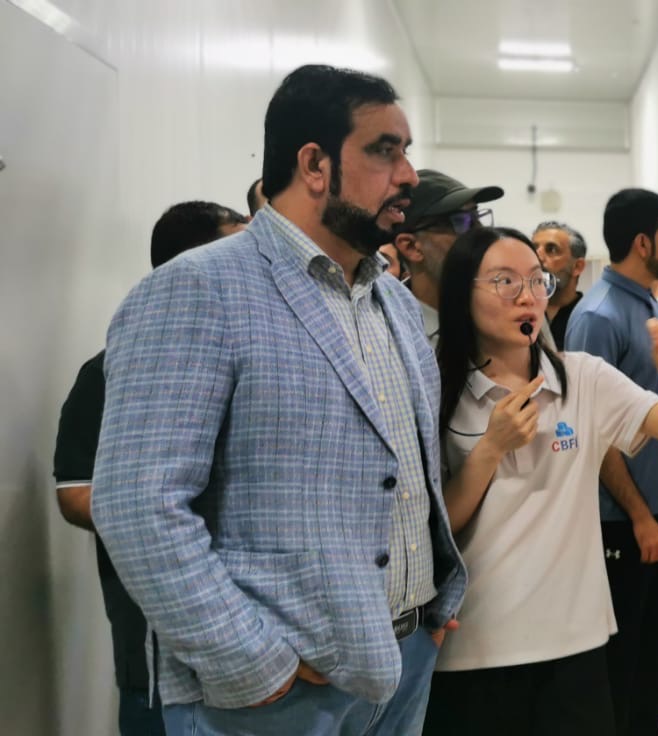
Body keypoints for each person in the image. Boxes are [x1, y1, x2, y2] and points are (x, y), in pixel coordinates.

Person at [92, 64, 466, 736]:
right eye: (385, 150)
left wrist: (428, 607)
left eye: (406, 152)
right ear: (314, 164)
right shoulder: (199, 288)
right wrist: (253, 664)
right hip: (274, 693)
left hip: (402, 661)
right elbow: (137, 505)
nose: (408, 175)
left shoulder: (393, 302)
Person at [422, 226, 658, 734]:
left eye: (537, 280)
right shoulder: (435, 386)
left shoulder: (582, 377)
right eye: (505, 281)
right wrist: (490, 448)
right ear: (463, 293)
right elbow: (437, 526)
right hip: (475, 645)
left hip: (575, 641)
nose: (527, 296)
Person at [52, 201, 247, 736]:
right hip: (158, 644)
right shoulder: (109, 370)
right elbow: (75, 494)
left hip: (255, 638)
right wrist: (165, 512)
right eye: (240, 247)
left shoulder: (249, 360)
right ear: (192, 264)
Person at [565, 188, 658, 736]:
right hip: (628, 524)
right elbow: (591, 433)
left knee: (656, 669)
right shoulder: (597, 316)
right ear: (644, 243)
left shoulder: (653, 306)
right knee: (623, 673)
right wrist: (641, 516)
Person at [392, 170, 502, 346]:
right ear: (411, 247)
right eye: (460, 222)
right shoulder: (391, 335)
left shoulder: (509, 312)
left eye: (476, 217)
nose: (479, 232)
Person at [532, 220, 589, 350]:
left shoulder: (588, 317)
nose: (538, 257)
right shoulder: (524, 312)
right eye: (534, 249)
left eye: (551, 250)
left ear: (577, 267)